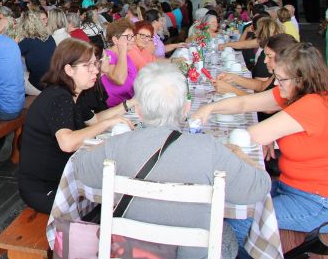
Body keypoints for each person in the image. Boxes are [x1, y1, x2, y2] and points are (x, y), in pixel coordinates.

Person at [76, 62, 271, 259]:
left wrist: (106, 144)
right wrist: (240, 154)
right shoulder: (209, 149)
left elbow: (81, 169)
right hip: (191, 255)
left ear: (140, 111)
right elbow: (259, 188)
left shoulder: (118, 145)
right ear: (186, 108)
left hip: (131, 252)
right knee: (228, 234)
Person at [193, 42, 328, 251]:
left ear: (301, 80)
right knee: (234, 198)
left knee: (242, 217)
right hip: (291, 187)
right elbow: (244, 104)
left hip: (315, 201)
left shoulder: (311, 104)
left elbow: (251, 135)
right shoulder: (294, 94)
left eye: (281, 79)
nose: (277, 84)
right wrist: (209, 108)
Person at [18, 39, 133, 214]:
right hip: (47, 189)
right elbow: (67, 142)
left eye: (96, 63)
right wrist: (109, 123)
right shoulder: (59, 98)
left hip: (65, 178)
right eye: (88, 66)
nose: (96, 70)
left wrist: (129, 104)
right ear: (69, 69)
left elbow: (94, 121)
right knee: (117, 198)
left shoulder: (73, 94)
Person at [213, 33, 296, 97]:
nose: (265, 61)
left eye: (269, 56)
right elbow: (261, 85)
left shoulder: (289, 81)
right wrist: (233, 77)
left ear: (284, 56)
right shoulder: (279, 73)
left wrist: (231, 90)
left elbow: (265, 107)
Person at [99, 18, 137, 107]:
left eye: (133, 36)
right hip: (114, 110)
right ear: (115, 40)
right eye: (128, 36)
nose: (133, 40)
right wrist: (123, 51)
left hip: (129, 104)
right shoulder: (107, 57)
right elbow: (120, 79)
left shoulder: (126, 56)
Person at [18, 11, 57, 92]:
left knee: (14, 77)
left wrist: (16, 40)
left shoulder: (28, 41)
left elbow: (12, 52)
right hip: (53, 80)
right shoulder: (49, 37)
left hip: (40, 84)